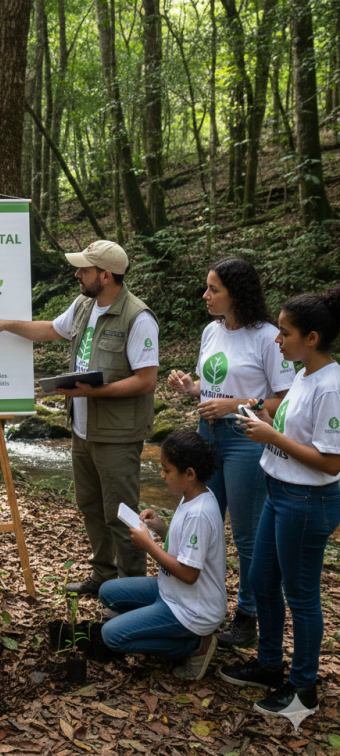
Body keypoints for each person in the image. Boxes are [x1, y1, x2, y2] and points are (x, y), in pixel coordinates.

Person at [0, 240, 158, 595]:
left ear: (106, 276)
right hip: (82, 430)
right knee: (91, 507)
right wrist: (4, 325)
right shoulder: (83, 305)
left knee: (121, 515)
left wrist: (93, 392)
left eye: (85, 270)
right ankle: (103, 576)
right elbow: (50, 330)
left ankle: (132, 589)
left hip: (118, 435)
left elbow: (146, 380)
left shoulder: (138, 317)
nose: (77, 274)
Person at [218, 286, 340, 728]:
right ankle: (269, 663)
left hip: (308, 501)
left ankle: (303, 688)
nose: (276, 339)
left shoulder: (331, 385)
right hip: (280, 491)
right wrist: (268, 423)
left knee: (302, 595)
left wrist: (273, 438)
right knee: (260, 579)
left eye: (284, 332)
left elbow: (330, 462)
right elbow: (296, 436)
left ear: (311, 337)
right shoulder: (305, 374)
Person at [167, 257, 294, 648]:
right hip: (208, 434)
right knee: (201, 517)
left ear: (236, 294)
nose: (205, 295)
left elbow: (284, 401)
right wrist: (191, 386)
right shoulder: (211, 331)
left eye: (213, 289)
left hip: (245, 438)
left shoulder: (268, 337)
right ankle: (201, 605)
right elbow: (213, 382)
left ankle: (248, 615)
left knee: (246, 535)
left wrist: (234, 404)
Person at [98, 432, 226, 680]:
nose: (162, 475)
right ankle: (157, 625)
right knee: (107, 592)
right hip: (170, 589)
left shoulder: (200, 512)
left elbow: (189, 574)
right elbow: (187, 546)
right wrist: (160, 528)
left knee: (112, 635)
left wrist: (150, 547)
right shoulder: (192, 496)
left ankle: (196, 647)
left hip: (192, 609)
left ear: (189, 474)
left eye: (166, 470)